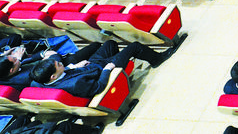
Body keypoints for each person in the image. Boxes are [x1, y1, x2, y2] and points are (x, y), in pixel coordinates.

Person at [30, 39, 175, 97]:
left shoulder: (44, 80)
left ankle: (122, 66)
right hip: (102, 71)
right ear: (53, 76)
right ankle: (157, 59)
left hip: (91, 66)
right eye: (59, 65)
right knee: (135, 46)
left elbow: (64, 73)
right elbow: (98, 87)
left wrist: (73, 66)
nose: (61, 63)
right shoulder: (75, 84)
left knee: (110, 44)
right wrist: (108, 69)